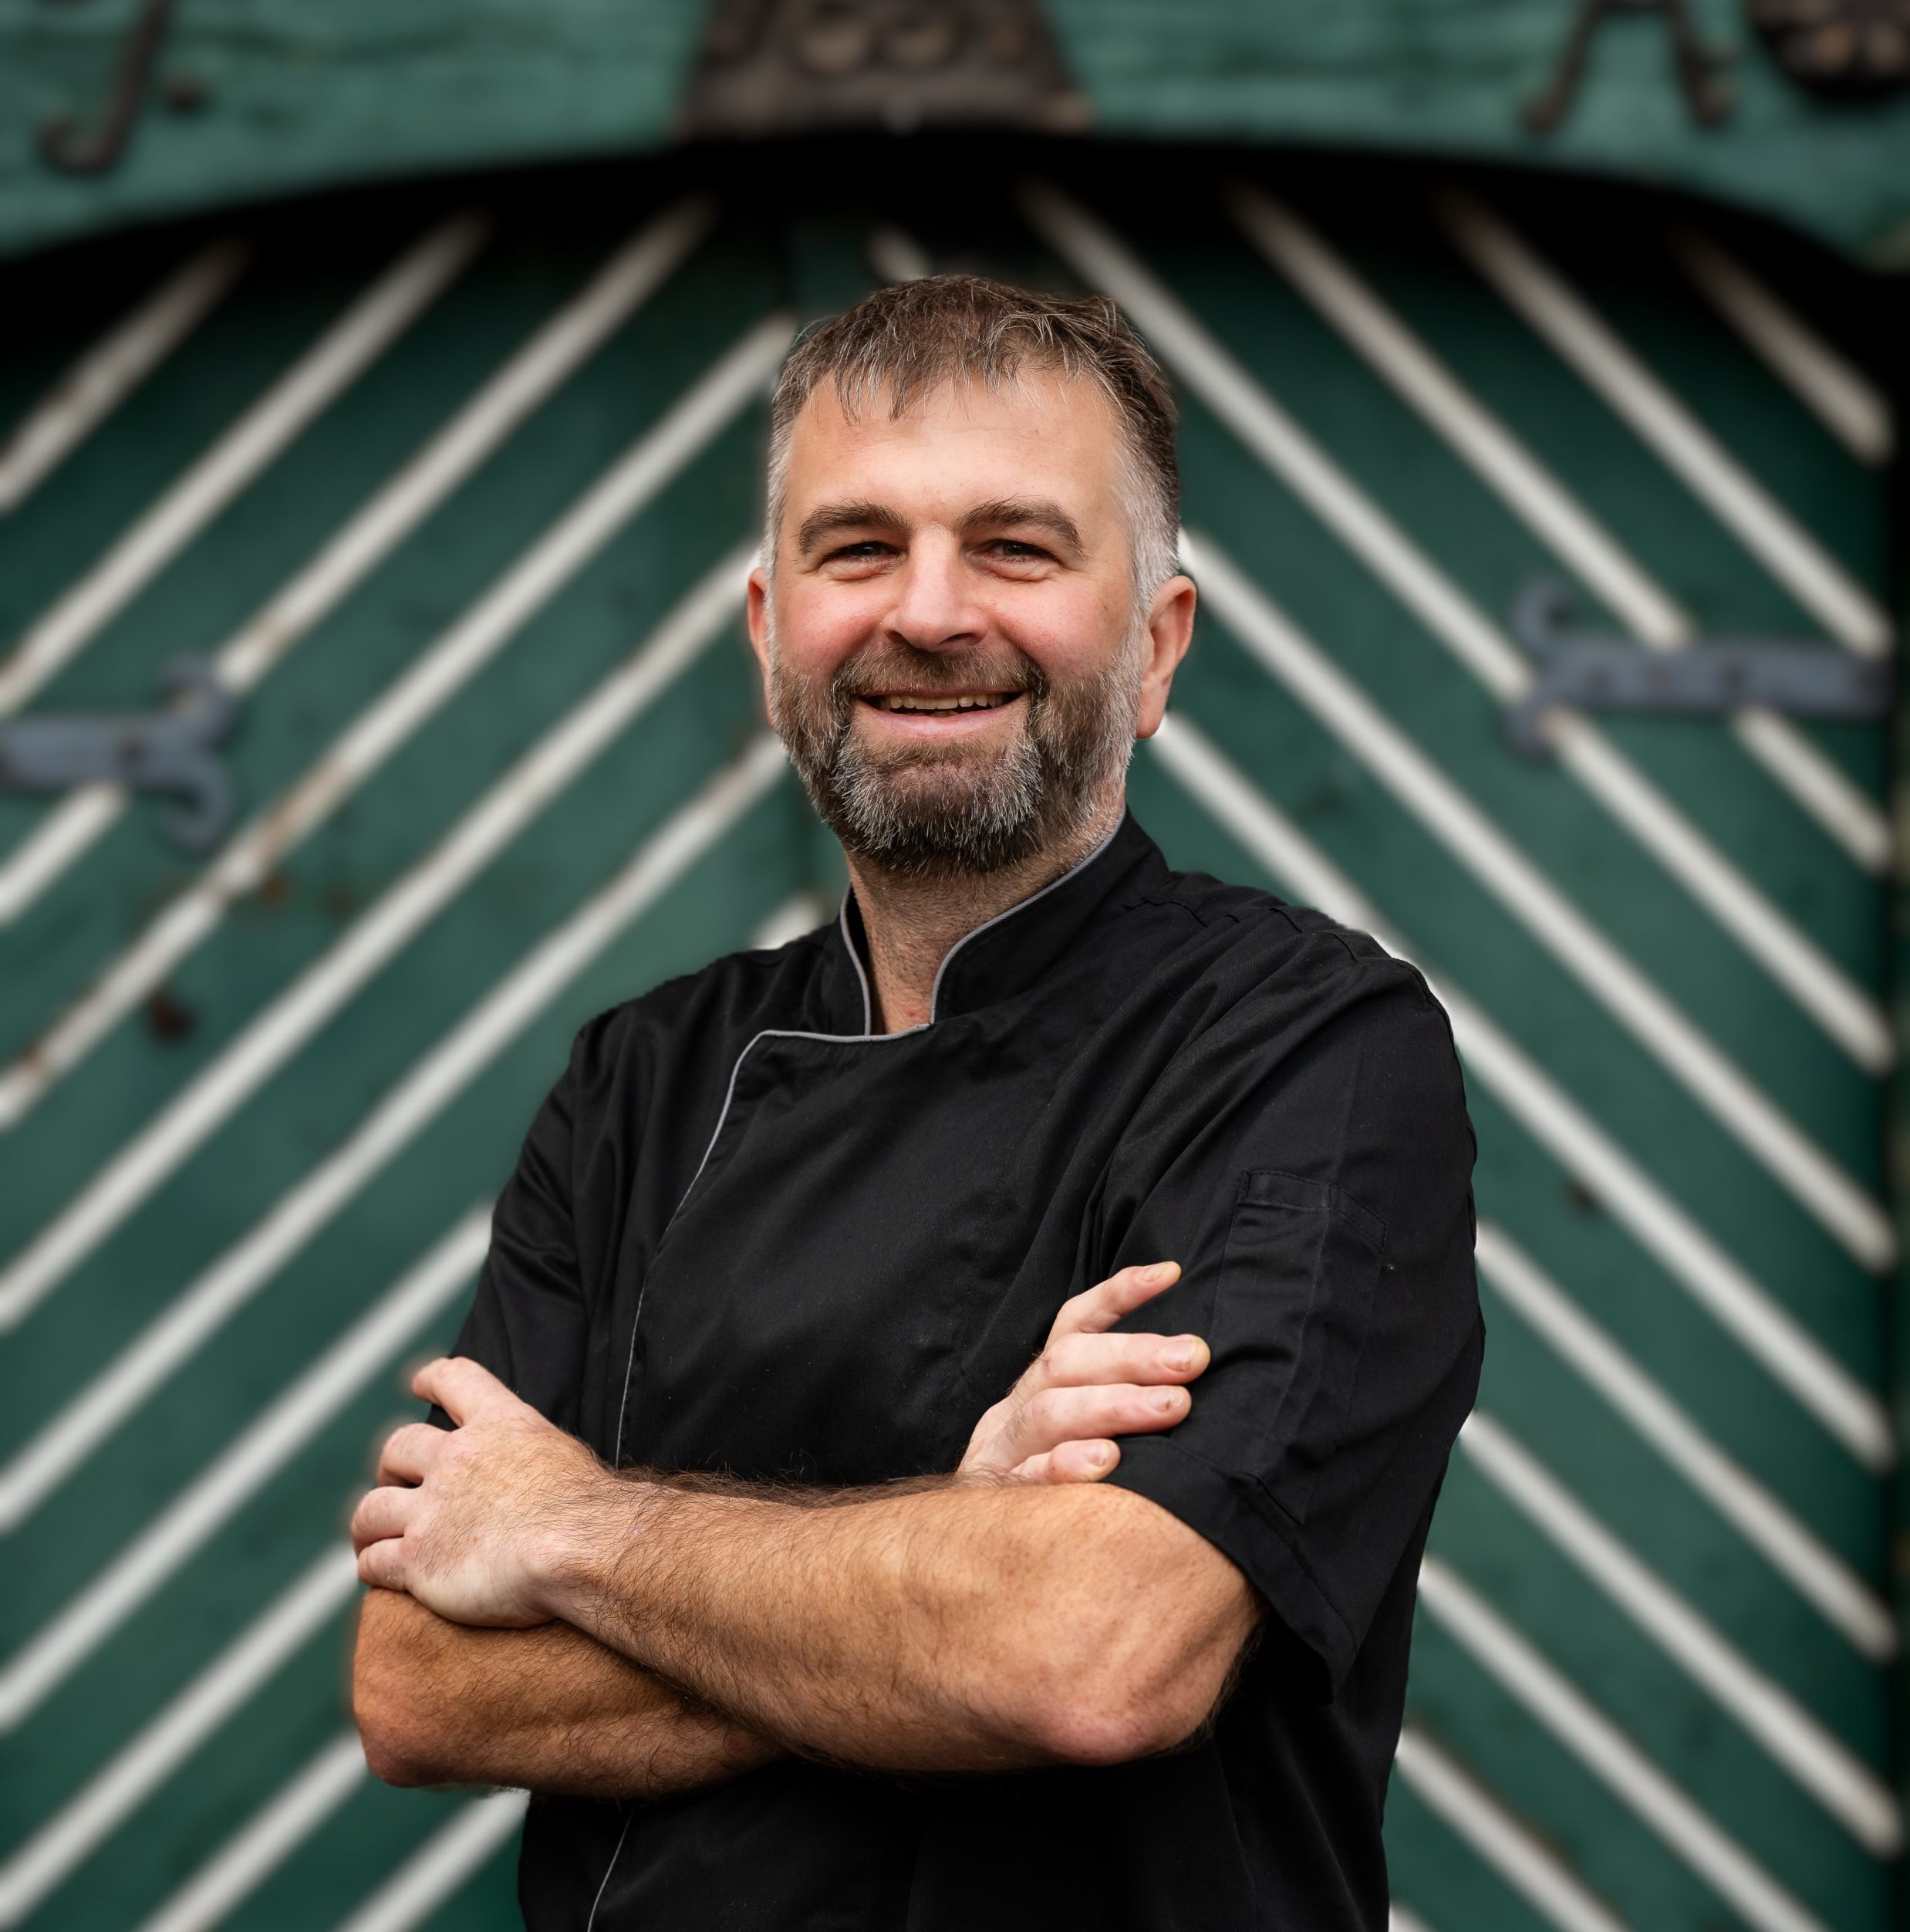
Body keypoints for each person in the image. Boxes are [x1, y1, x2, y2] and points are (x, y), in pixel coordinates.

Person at [349, 275, 1482, 1932]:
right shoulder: (637, 1080)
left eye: (1015, 548)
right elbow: (419, 1687)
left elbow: (1091, 1651)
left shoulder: (1305, 1048)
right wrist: (959, 1546)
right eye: (857, 548)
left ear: (1156, 645)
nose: (929, 612)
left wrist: (576, 1531)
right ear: (768, 635)